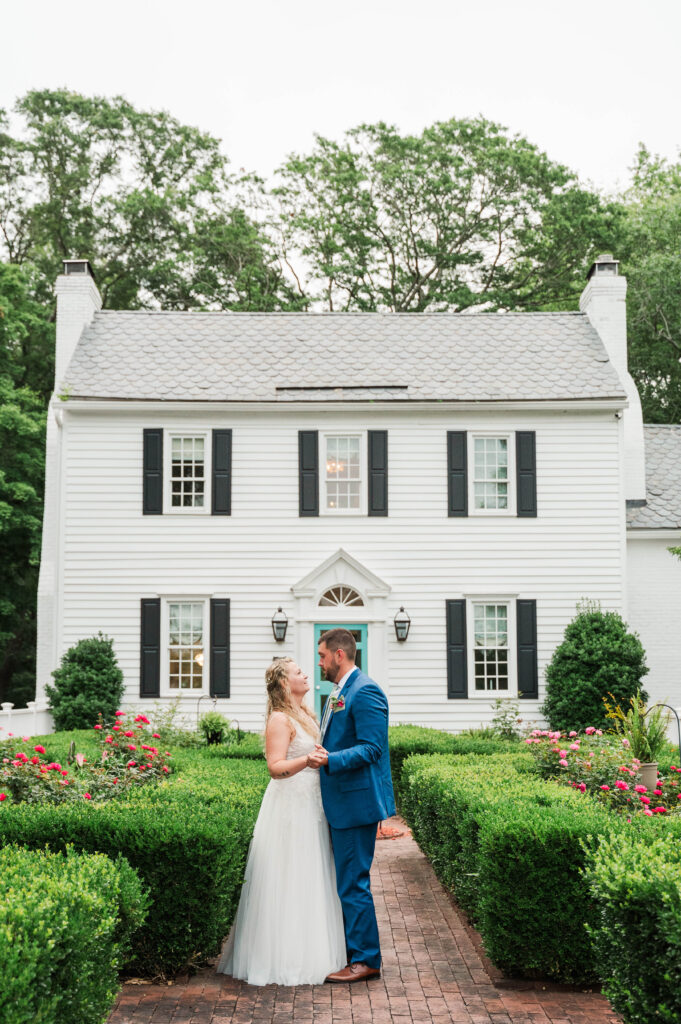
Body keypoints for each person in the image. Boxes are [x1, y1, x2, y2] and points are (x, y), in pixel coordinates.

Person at [217, 658, 346, 986]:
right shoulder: (279, 719)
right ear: (286, 683)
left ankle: (314, 953)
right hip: (290, 806)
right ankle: (285, 958)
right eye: (299, 672)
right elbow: (275, 767)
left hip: (311, 803)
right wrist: (309, 759)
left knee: (312, 874)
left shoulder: (307, 714)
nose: (306, 674)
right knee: (290, 875)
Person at [309, 628, 396, 983]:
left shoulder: (366, 691)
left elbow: (372, 749)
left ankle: (365, 960)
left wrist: (330, 760)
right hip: (340, 801)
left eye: (322, 655)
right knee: (345, 881)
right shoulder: (338, 692)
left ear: (339, 655)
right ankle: (351, 951)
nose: (319, 662)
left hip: (355, 803)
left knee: (353, 882)